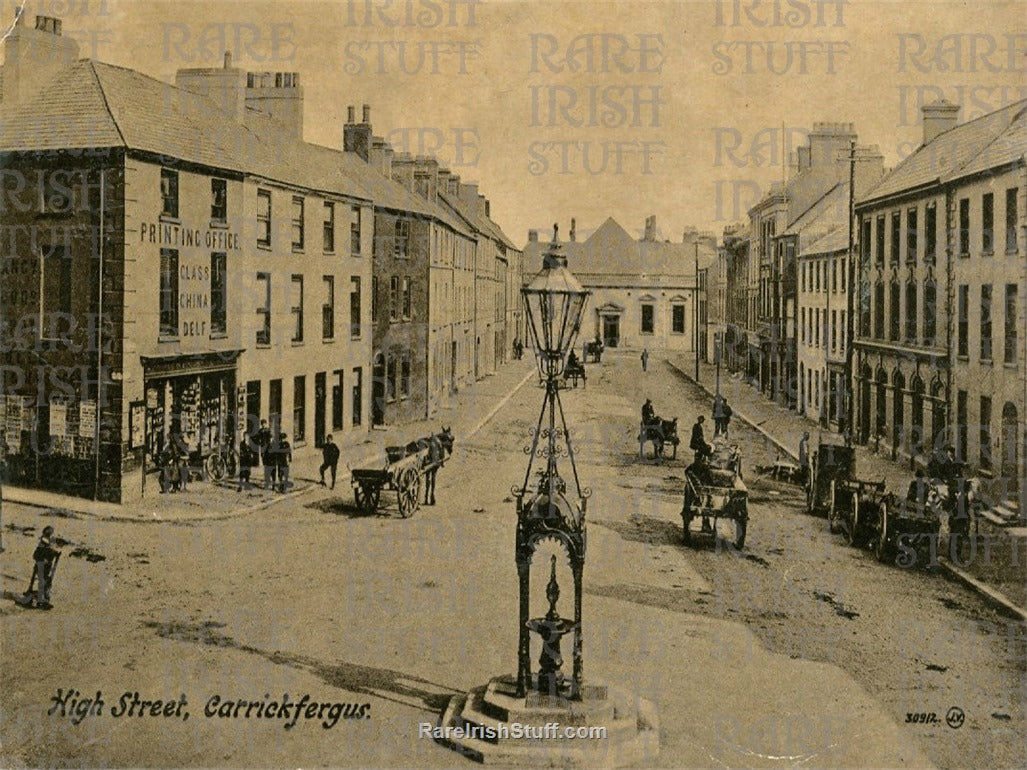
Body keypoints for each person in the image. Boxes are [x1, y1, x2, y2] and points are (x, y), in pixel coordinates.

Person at [30, 525, 61, 610]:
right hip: (40, 567)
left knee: (47, 583)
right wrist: (43, 559)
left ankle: (45, 599)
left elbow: (50, 552)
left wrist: (55, 554)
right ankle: (41, 600)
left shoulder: (47, 547)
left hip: (46, 568)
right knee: (43, 583)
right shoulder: (41, 547)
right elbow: (36, 555)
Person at [255, 419, 274, 490]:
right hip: (263, 450)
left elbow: (271, 439)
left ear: (266, 424)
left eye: (264, 424)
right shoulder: (260, 431)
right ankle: (267, 481)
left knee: (269, 466)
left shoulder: (268, 431)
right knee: (266, 466)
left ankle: (270, 481)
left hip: (268, 450)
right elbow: (258, 440)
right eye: (262, 424)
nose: (263, 425)